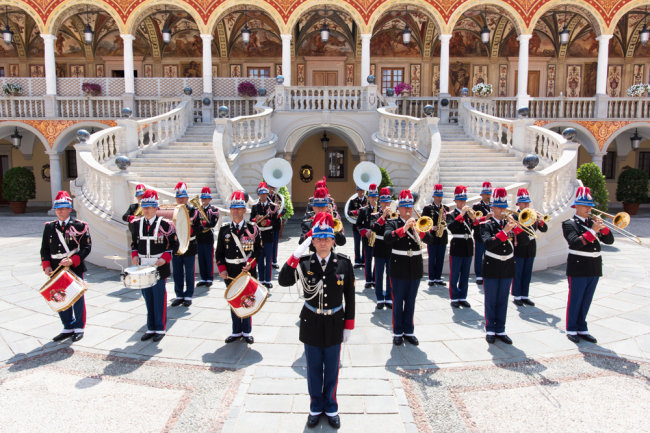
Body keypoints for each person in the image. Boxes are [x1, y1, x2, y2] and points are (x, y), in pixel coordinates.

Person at [278, 212, 355, 430]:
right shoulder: (304, 262)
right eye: (318, 239)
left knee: (331, 368)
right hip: (311, 320)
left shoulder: (344, 264)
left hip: (334, 322)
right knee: (313, 368)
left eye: (326, 239)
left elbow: (350, 296)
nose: (322, 242)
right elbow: (283, 281)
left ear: (333, 241)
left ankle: (331, 406)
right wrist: (295, 253)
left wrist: (348, 325)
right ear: (313, 241)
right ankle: (315, 407)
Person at [562, 187, 614, 344]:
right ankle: (571, 328)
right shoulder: (569, 224)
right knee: (576, 299)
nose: (588, 209)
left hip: (594, 266)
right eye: (585, 206)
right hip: (578, 265)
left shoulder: (593, 223)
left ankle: (582, 327)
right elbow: (574, 244)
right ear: (576, 206)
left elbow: (609, 241)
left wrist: (603, 229)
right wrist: (592, 231)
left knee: (587, 299)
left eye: (589, 206)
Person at [384, 189, 434, 345]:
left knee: (411, 301)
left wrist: (420, 231)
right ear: (398, 208)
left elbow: (431, 240)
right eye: (405, 207)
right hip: (399, 268)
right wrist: (403, 229)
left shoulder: (418, 223)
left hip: (415, 268)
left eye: (410, 207)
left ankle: (409, 331)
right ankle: (398, 332)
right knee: (398, 301)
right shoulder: (393, 222)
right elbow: (387, 238)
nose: (408, 210)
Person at [41, 191, 92, 342]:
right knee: (59, 297)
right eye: (57, 209)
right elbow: (44, 248)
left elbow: (86, 247)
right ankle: (67, 326)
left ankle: (79, 327)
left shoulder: (80, 226)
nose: (60, 211)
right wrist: (46, 266)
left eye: (63, 208)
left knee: (76, 297)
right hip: (56, 268)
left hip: (73, 267)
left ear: (70, 209)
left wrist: (73, 260)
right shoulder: (50, 227)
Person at [481, 188, 529, 344]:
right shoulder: (486, 225)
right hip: (492, 266)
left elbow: (525, 243)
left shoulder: (511, 224)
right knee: (491, 299)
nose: (502, 211)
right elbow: (489, 244)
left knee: (502, 299)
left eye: (504, 207)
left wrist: (519, 230)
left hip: (507, 266)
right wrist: (505, 231)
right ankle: (490, 329)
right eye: (499, 208)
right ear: (492, 208)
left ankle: (500, 329)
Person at [130, 189, 179, 342]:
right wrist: (134, 256)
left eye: (150, 207)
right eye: (144, 207)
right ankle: (150, 327)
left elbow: (175, 244)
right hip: (143, 266)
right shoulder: (136, 224)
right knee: (147, 297)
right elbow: (134, 244)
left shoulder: (166, 225)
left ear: (156, 208)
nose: (147, 210)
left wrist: (165, 258)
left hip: (159, 266)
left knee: (158, 297)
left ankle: (160, 327)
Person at [216, 191, 262, 344]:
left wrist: (252, 263)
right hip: (231, 271)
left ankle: (247, 331)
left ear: (244, 210)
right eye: (233, 208)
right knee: (234, 301)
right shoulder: (224, 230)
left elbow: (259, 250)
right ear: (230, 210)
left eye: (238, 208)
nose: (235, 211)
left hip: (247, 271)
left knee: (248, 300)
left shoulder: (253, 228)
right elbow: (219, 253)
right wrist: (222, 269)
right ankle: (236, 331)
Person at [512, 188, 548, 306]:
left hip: (531, 246)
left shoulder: (532, 215)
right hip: (520, 247)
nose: (527, 204)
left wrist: (540, 220)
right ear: (519, 203)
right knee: (518, 272)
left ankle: (525, 295)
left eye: (528, 202)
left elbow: (544, 229)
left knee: (527, 272)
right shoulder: (514, 216)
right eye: (524, 202)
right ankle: (517, 295)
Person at [171, 182, 201, 307]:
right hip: (176, 245)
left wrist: (190, 230)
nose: (181, 199)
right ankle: (179, 295)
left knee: (189, 272)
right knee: (177, 271)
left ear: (187, 198)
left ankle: (188, 295)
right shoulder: (174, 211)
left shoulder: (193, 210)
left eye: (183, 197)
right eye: (178, 198)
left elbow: (199, 227)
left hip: (189, 244)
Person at [446, 186, 475, 308]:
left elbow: (475, 227)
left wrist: (473, 218)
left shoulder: (469, 215)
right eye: (460, 201)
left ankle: (462, 296)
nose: (463, 203)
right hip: (457, 245)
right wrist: (461, 215)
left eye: (464, 201)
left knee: (465, 273)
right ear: (456, 201)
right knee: (455, 273)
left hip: (467, 246)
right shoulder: (451, 214)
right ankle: (454, 297)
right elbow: (452, 227)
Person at [250, 181, 280, 289]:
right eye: (261, 194)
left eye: (265, 194)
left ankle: (268, 280)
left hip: (268, 235)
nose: (263, 196)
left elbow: (277, 222)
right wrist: (256, 219)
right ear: (258, 194)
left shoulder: (273, 206)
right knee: (260, 259)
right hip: (258, 236)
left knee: (268, 259)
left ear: (267, 194)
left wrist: (267, 222)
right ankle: (261, 279)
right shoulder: (255, 206)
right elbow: (250, 220)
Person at [370, 187, 394, 309]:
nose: (386, 204)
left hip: (391, 249)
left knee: (390, 274)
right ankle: (379, 298)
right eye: (384, 202)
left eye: (388, 202)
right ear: (380, 202)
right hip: (379, 247)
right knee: (378, 275)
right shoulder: (375, 215)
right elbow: (373, 228)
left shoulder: (394, 215)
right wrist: (383, 216)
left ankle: (389, 297)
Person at [422, 184, 449, 287]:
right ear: (433, 197)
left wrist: (445, 219)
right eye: (437, 196)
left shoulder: (445, 208)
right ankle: (431, 278)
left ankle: (438, 278)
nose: (439, 198)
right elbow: (423, 222)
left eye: (440, 196)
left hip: (442, 236)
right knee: (432, 258)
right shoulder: (428, 208)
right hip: (432, 236)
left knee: (441, 258)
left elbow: (449, 222)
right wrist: (432, 227)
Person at [196, 187, 220, 288]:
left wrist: (203, 223)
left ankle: (209, 278)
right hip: (199, 237)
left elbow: (212, 223)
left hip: (208, 237)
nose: (204, 200)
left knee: (208, 259)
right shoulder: (197, 210)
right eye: (203, 198)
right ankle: (203, 278)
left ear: (210, 199)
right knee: (201, 259)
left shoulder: (214, 210)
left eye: (206, 199)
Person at [357, 184, 379, 289]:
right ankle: (368, 280)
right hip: (367, 238)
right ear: (368, 198)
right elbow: (358, 224)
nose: (374, 199)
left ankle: (375, 279)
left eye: (375, 197)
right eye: (372, 197)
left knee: (377, 260)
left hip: (378, 239)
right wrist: (365, 232)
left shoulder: (381, 210)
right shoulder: (363, 210)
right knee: (368, 260)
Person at [473, 181, 493, 285]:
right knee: (478, 256)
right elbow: (474, 221)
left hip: (490, 234)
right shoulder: (476, 206)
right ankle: (479, 275)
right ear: (482, 195)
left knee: (488, 255)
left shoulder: (493, 205)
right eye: (486, 194)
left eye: (489, 194)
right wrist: (486, 217)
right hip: (480, 234)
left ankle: (487, 273)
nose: (488, 196)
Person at [347, 186, 368, 268]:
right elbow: (349, 212)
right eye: (359, 190)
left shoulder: (367, 200)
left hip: (365, 225)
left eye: (362, 190)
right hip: (356, 225)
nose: (361, 192)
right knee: (357, 244)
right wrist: (357, 212)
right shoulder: (353, 201)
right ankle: (357, 261)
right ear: (356, 191)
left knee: (364, 244)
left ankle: (363, 260)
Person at [267, 185, 285, 269]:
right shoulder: (264, 197)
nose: (272, 189)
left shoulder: (278, 197)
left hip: (276, 223)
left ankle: (274, 261)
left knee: (275, 243)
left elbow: (284, 209)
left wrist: (280, 213)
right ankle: (267, 261)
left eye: (273, 188)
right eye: (270, 187)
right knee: (266, 244)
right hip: (267, 224)